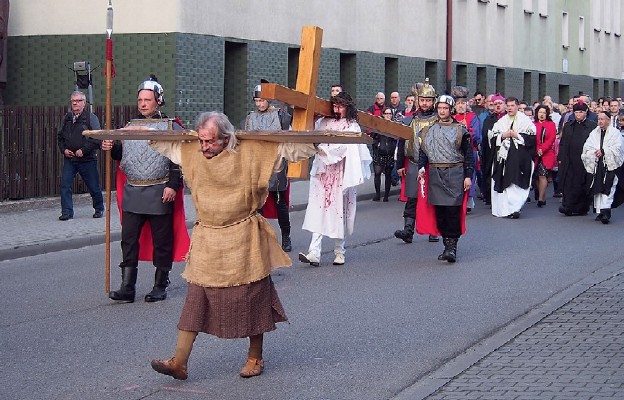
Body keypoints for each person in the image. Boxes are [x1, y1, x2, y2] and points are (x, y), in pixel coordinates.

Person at [149, 112, 317, 380]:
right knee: (195, 300)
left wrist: (318, 139)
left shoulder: (251, 152)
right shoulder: (192, 152)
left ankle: (255, 357)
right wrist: (138, 133)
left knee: (252, 299)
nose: (205, 147)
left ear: (226, 139)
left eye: (211, 141)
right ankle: (179, 361)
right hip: (207, 238)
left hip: (244, 238)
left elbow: (287, 149)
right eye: (202, 140)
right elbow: (164, 143)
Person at [101, 75, 189, 303]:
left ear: (158, 101)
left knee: (162, 241)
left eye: (147, 99)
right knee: (128, 240)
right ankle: (127, 287)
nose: (142, 104)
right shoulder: (129, 127)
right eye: (140, 99)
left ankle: (160, 284)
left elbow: (178, 159)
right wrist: (111, 147)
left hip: (159, 190)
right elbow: (124, 157)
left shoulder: (171, 127)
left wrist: (172, 185)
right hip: (133, 190)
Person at [298, 91, 372, 266]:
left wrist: (325, 150)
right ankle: (313, 252)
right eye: (335, 105)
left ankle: (340, 252)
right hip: (323, 172)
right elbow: (313, 137)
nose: (337, 109)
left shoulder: (352, 126)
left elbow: (346, 148)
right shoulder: (323, 122)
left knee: (339, 211)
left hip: (341, 173)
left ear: (348, 107)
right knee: (318, 210)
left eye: (341, 106)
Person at [416, 94, 474, 263]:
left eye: (445, 108)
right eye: (440, 108)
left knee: (452, 212)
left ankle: (452, 248)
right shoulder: (428, 130)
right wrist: (421, 167)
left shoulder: (460, 130)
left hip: (455, 173)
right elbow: (423, 152)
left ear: (450, 110)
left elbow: (469, 155)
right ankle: (446, 245)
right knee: (440, 212)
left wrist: (468, 176)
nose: (442, 111)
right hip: (435, 173)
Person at [244, 84, 293, 252]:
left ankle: (286, 236)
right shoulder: (250, 117)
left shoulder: (280, 116)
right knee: (258, 205)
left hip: (276, 164)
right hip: (257, 164)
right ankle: (261, 238)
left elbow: (289, 132)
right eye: (257, 101)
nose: (259, 104)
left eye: (262, 100)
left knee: (280, 204)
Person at [394, 78, 439, 243]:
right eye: (423, 100)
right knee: (412, 198)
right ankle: (408, 230)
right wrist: (399, 165)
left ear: (433, 101)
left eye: (428, 100)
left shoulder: (438, 121)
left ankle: (434, 229)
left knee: (433, 197)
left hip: (433, 165)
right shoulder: (409, 120)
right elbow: (401, 141)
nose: (425, 103)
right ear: (418, 100)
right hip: (413, 163)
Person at [57, 90, 104, 221]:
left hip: (87, 159)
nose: (75, 103)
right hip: (70, 158)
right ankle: (67, 212)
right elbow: (60, 137)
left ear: (84, 103)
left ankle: (99, 208)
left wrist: (83, 150)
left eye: (78, 101)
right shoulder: (67, 118)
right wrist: (64, 150)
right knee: (65, 185)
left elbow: (96, 138)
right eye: (73, 101)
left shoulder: (91, 118)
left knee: (93, 186)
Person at [489, 97, 536, 219]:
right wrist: (503, 135)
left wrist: (517, 135)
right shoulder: (501, 122)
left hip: (520, 159)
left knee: (516, 184)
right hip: (503, 159)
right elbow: (492, 137)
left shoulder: (525, 121)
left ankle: (515, 208)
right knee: (505, 185)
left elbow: (531, 138)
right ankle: (505, 209)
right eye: (508, 106)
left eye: (512, 105)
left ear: (517, 106)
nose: (510, 108)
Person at [581, 110, 624, 224]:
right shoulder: (594, 133)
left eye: (602, 119)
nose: (600, 121)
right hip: (597, 164)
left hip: (609, 165)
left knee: (608, 187)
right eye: (599, 119)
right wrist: (594, 152)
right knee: (597, 187)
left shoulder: (615, 133)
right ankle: (600, 211)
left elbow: (618, 148)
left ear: (608, 120)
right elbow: (587, 146)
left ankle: (606, 212)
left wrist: (604, 151)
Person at [557, 100, 596, 216]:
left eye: (581, 112)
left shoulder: (592, 126)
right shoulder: (569, 125)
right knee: (568, 182)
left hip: (584, 160)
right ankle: (568, 206)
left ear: (586, 112)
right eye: (576, 112)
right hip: (570, 159)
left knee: (582, 182)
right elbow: (563, 143)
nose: (578, 115)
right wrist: (560, 157)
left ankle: (581, 207)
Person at [451, 86, 481, 212]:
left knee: (469, 176)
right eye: (458, 103)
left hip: (470, 151)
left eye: (463, 103)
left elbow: (477, 135)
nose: (461, 106)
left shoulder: (472, 117)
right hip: (454, 153)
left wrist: (466, 131)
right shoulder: (451, 117)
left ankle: (468, 201)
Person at [533, 105, 557, 207]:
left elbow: (551, 139)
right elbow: (532, 138)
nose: (542, 114)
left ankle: (541, 198)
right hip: (534, 153)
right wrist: (537, 149)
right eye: (540, 112)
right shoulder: (533, 124)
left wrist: (542, 149)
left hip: (546, 154)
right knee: (535, 177)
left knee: (542, 175)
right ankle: (539, 193)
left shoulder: (551, 124)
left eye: (544, 112)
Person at [371, 109, 398, 202]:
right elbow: (373, 137)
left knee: (388, 174)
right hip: (379, 152)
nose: (388, 115)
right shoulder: (379, 124)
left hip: (389, 152)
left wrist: (393, 147)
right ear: (383, 114)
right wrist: (376, 145)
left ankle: (386, 195)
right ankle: (377, 194)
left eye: (390, 114)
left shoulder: (394, 125)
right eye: (386, 113)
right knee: (377, 173)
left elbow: (397, 138)